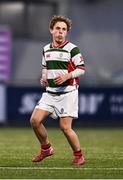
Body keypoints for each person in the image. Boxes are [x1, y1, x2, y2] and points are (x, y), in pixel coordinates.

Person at [30, 15, 86, 166]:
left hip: (67, 93)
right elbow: (45, 67)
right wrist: (43, 77)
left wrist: (67, 75)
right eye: (58, 29)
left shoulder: (72, 49)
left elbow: (81, 69)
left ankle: (79, 155)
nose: (60, 32)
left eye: (64, 29)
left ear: (66, 32)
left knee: (65, 128)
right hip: (50, 93)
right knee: (35, 120)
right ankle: (46, 148)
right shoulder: (46, 49)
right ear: (51, 30)